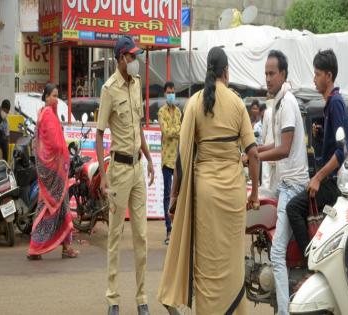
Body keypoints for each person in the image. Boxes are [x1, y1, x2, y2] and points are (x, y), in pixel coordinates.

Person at [158, 46, 259, 315]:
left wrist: (175, 196)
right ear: (226, 71)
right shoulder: (238, 103)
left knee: (206, 263)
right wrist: (255, 193)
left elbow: (181, 158)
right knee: (232, 261)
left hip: (204, 192)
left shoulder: (195, 102)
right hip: (233, 192)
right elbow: (253, 154)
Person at [96, 36, 155, 315]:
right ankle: (113, 299)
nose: (135, 61)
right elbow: (98, 133)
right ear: (120, 58)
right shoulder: (109, 90)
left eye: (135, 57)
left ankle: (142, 298)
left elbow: (139, 127)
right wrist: (104, 176)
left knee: (142, 236)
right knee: (115, 236)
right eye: (131, 57)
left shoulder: (137, 84)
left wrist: (149, 158)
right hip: (118, 171)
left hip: (137, 169)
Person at [257, 50, 309, 315]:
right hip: (282, 182)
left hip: (293, 184)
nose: (267, 78)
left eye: (272, 73)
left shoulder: (287, 102)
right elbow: (274, 145)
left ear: (283, 75)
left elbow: (285, 148)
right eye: (266, 73)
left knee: (277, 253)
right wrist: (252, 151)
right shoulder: (277, 103)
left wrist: (255, 155)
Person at [286, 49, 348, 255]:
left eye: (317, 74)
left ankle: (309, 264)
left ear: (329, 76)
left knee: (293, 208)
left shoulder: (336, 103)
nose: (314, 79)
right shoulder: (330, 104)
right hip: (326, 179)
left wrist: (318, 178)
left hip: (330, 182)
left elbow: (342, 152)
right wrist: (321, 132)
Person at [27, 83, 79, 260]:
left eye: (58, 96)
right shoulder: (48, 114)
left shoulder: (44, 113)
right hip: (54, 173)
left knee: (56, 209)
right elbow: (55, 145)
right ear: (46, 97)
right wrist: (62, 159)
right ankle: (37, 247)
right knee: (53, 209)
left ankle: (64, 248)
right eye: (54, 96)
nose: (56, 99)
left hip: (49, 172)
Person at [158, 81, 181, 245]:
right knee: (167, 194)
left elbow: (180, 130)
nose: (171, 94)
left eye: (173, 91)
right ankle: (168, 229)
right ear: (165, 94)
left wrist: (176, 131)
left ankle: (178, 228)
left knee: (178, 194)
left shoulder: (179, 111)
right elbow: (166, 132)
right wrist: (177, 131)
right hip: (167, 159)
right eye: (168, 92)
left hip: (178, 158)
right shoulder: (161, 112)